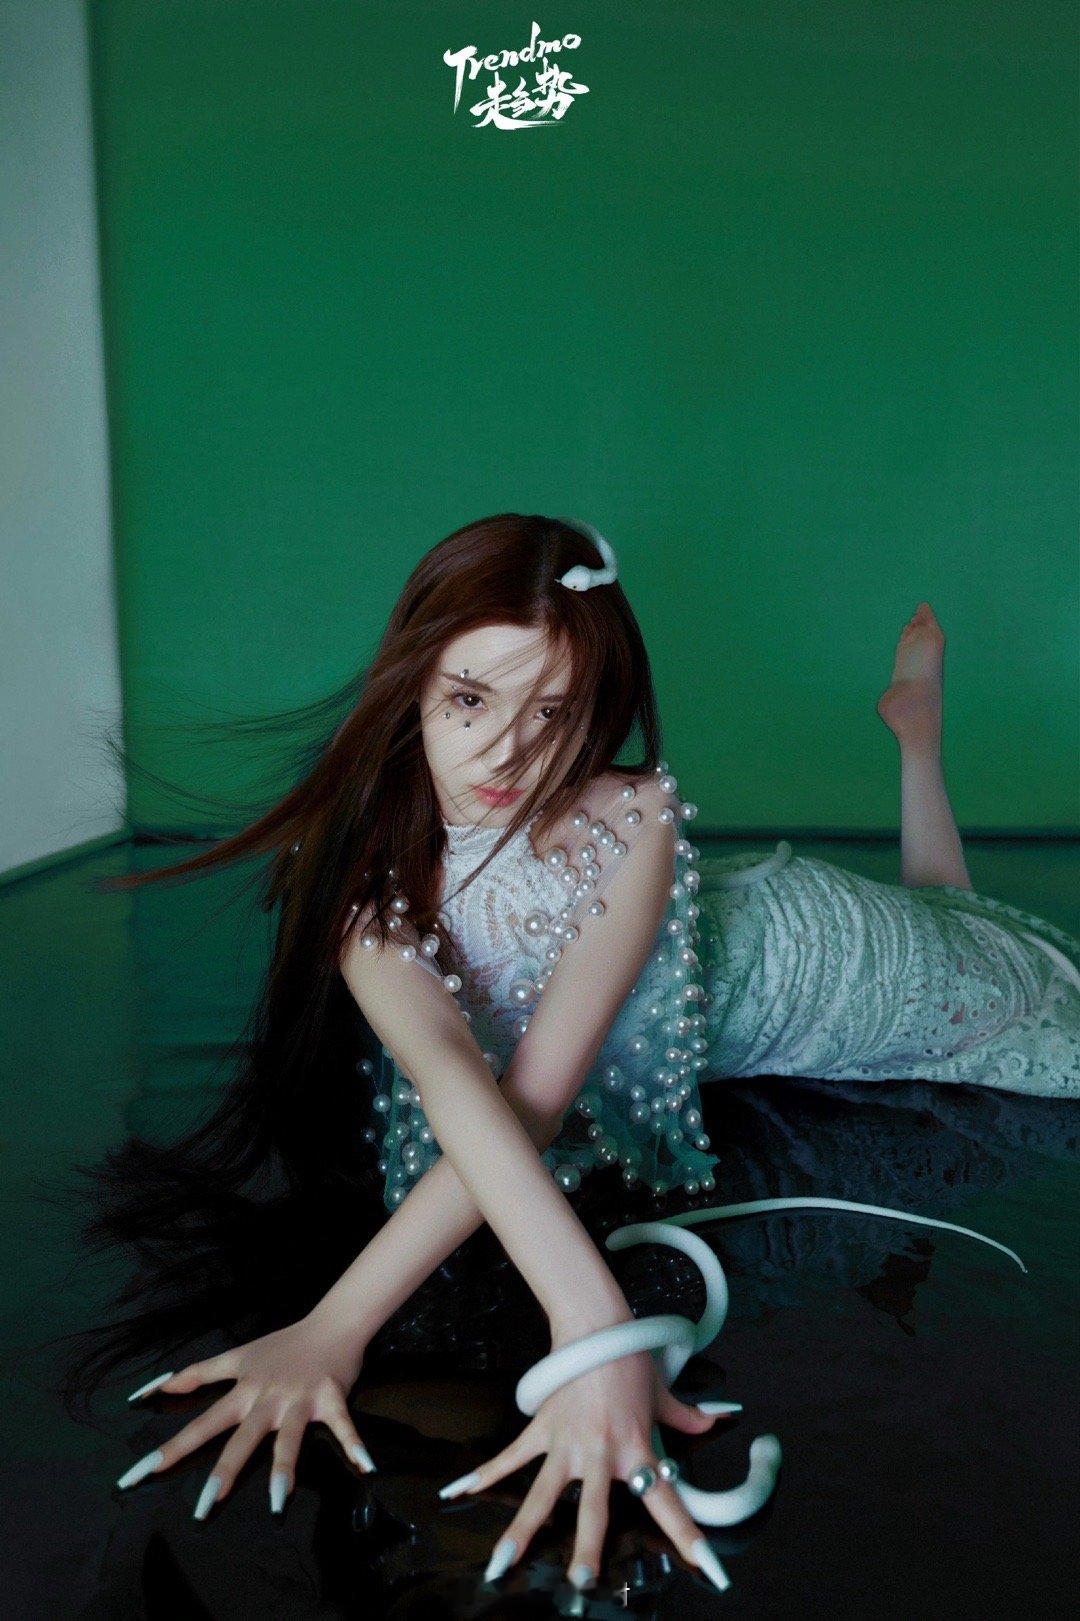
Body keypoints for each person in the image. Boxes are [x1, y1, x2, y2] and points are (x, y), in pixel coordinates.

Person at [57, 514, 1079, 1598]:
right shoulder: (365, 877)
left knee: (997, 975)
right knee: (961, 925)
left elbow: (536, 1099)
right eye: (470, 699)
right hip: (750, 962)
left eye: (552, 712)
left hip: (823, 959)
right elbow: (461, 1084)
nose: (506, 752)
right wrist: (329, 1331)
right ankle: (916, 733)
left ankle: (917, 737)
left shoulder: (637, 815)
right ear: (411, 685)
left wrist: (592, 1330)